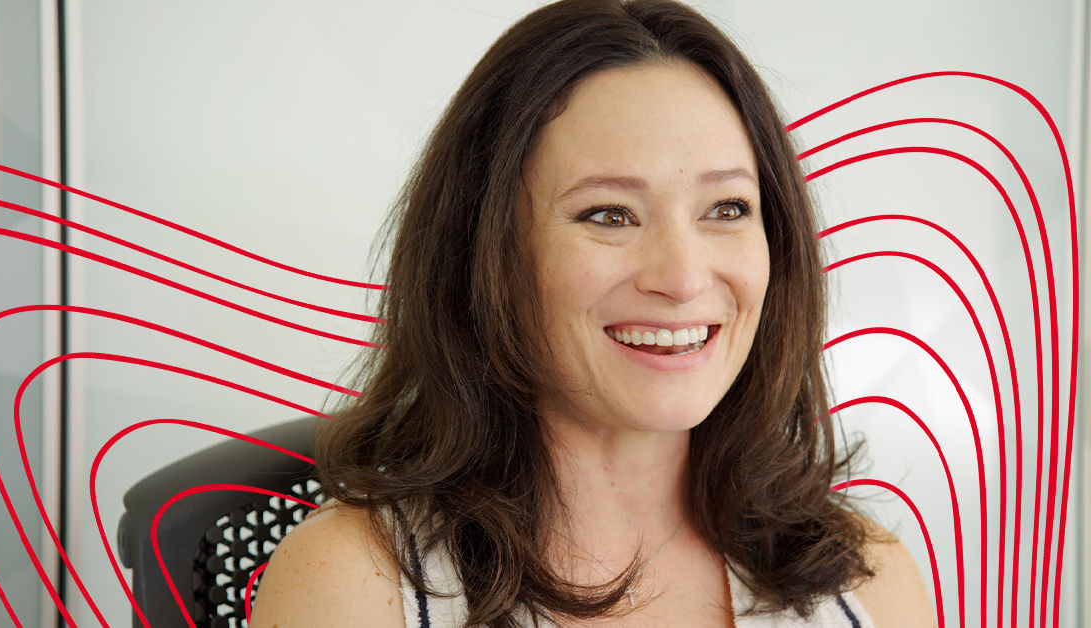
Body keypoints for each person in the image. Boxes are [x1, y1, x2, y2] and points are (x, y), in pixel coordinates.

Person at [250, 0, 934, 626]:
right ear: (486, 255)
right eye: (609, 214)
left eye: (726, 208)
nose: (684, 278)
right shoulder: (352, 588)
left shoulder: (870, 582)